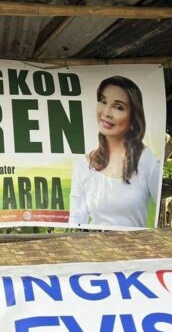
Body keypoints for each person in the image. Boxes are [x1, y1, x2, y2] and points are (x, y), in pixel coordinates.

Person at [68, 75, 162, 228]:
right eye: (103, 101)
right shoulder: (83, 166)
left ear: (133, 119)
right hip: (94, 250)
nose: (106, 112)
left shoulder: (146, 161)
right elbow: (76, 221)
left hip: (137, 250)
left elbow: (160, 212)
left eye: (118, 107)